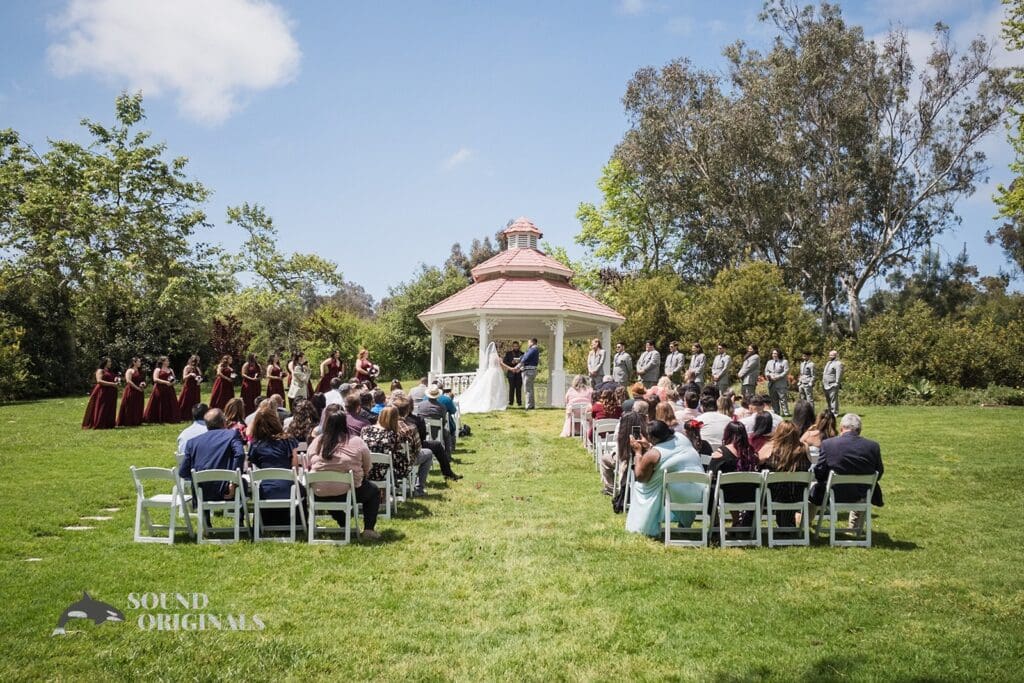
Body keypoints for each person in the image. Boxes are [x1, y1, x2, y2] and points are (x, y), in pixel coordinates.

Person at [305, 410, 381, 540]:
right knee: (373, 491)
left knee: (330, 489)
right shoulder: (356, 441)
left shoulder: (317, 441)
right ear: (345, 424)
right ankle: (368, 529)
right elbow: (368, 465)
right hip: (348, 492)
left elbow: (308, 463)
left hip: (319, 493)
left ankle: (344, 524)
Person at [625, 420, 706, 537]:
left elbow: (640, 477)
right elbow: (669, 451)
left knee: (641, 486)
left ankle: (641, 526)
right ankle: (684, 522)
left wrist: (638, 452)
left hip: (678, 495)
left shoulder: (654, 454)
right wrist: (648, 446)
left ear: (653, 438)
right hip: (700, 491)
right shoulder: (681, 437)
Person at [810, 413, 884, 529]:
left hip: (833, 493)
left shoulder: (828, 444)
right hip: (861, 493)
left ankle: (804, 523)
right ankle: (855, 528)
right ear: (859, 430)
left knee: (813, 489)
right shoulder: (873, 446)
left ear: (841, 429)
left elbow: (819, 471)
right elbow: (879, 472)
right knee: (864, 489)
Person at [178, 408, 246, 508]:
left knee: (199, 485)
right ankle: (239, 520)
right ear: (223, 422)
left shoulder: (192, 442)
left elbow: (183, 472)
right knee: (243, 483)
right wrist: (234, 481)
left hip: (201, 493)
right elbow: (240, 454)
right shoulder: (232, 434)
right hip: (226, 490)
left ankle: (205, 521)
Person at [247, 408, 300, 526]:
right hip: (288, 489)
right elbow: (295, 468)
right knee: (304, 490)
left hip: (265, 491)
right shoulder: (288, 440)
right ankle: (301, 520)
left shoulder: (255, 444)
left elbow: (251, 465)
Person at [396, 395, 458, 484]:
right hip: (415, 448)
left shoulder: (390, 422)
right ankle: (448, 473)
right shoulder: (417, 421)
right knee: (437, 445)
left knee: (435, 444)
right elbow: (422, 438)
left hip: (396, 453)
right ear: (410, 407)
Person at [708, 421, 760, 526]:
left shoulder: (721, 452)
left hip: (727, 495)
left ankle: (716, 523)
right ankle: (736, 521)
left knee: (708, 490)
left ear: (727, 433)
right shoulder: (751, 452)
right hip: (750, 495)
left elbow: (710, 473)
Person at [761, 421, 812, 527]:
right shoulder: (804, 448)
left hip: (773, 496)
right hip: (798, 495)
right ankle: (787, 525)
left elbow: (757, 462)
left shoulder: (770, 448)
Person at [361, 406, 412, 492]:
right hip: (383, 473)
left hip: (365, 471)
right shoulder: (393, 435)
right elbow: (397, 457)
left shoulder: (365, 430)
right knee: (399, 463)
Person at [602, 408, 647, 496]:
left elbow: (620, 452)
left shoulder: (622, 433)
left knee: (605, 459)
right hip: (638, 461)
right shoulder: (645, 430)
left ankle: (610, 488)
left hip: (627, 461)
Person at [459, 341, 510, 414]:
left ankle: (492, 402)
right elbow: (501, 364)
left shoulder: (490, 355)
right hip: (495, 373)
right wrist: (510, 368)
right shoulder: (496, 356)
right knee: (495, 389)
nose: (498, 348)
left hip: (491, 372)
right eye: (497, 347)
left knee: (491, 389)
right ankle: (493, 403)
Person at [81, 357, 119, 430]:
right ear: (104, 362)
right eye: (109, 362)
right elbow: (99, 381)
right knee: (102, 406)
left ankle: (108, 423)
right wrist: (112, 384)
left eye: (110, 362)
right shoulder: (100, 370)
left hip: (110, 392)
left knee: (109, 407)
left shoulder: (109, 371)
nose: (110, 363)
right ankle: (99, 423)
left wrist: (116, 380)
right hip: (102, 391)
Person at [143, 356, 179, 424]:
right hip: (160, 388)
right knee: (160, 402)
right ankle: (158, 418)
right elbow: (155, 379)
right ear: (162, 362)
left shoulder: (170, 369)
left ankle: (170, 418)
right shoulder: (158, 369)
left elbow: (174, 378)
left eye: (168, 361)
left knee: (169, 402)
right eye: (167, 361)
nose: (168, 362)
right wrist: (166, 382)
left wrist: (173, 383)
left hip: (169, 389)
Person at [116, 356, 146, 427]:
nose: (140, 363)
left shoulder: (140, 371)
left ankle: (137, 420)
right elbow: (128, 381)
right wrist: (137, 388)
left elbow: (142, 380)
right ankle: (128, 420)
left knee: (138, 405)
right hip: (131, 390)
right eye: (138, 361)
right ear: (134, 362)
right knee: (130, 405)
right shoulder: (129, 370)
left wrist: (143, 384)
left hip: (140, 390)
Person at [765, 348, 791, 417]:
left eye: (775, 353)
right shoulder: (769, 362)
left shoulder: (784, 361)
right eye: (773, 353)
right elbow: (766, 371)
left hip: (781, 383)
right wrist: (769, 376)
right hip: (772, 383)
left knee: (783, 399)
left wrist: (778, 377)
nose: (774, 355)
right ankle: (776, 412)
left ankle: (786, 413)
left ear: (779, 354)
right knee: (774, 399)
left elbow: (786, 371)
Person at [516, 338, 541, 410]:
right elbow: (523, 356)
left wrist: (517, 367)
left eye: (529, 342)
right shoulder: (534, 350)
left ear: (532, 342)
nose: (528, 344)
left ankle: (529, 406)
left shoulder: (533, 349)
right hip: (530, 371)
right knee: (530, 388)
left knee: (527, 389)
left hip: (528, 371)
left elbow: (525, 358)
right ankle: (531, 405)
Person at [177, 354, 203, 422]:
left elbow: (200, 376)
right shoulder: (187, 367)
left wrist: (199, 380)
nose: (196, 362)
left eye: (197, 361)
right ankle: (183, 415)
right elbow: (184, 377)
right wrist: (190, 375)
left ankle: (194, 415)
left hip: (196, 386)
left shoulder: (197, 368)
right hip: (188, 386)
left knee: (195, 400)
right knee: (186, 400)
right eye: (195, 361)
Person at [822, 350, 843, 415]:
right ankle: (829, 412)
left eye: (832, 355)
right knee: (828, 399)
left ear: (836, 356)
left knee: (833, 399)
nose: (830, 356)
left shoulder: (838, 363)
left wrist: (837, 383)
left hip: (833, 384)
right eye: (829, 355)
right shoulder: (828, 363)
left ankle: (834, 413)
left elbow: (838, 374)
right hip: (826, 384)